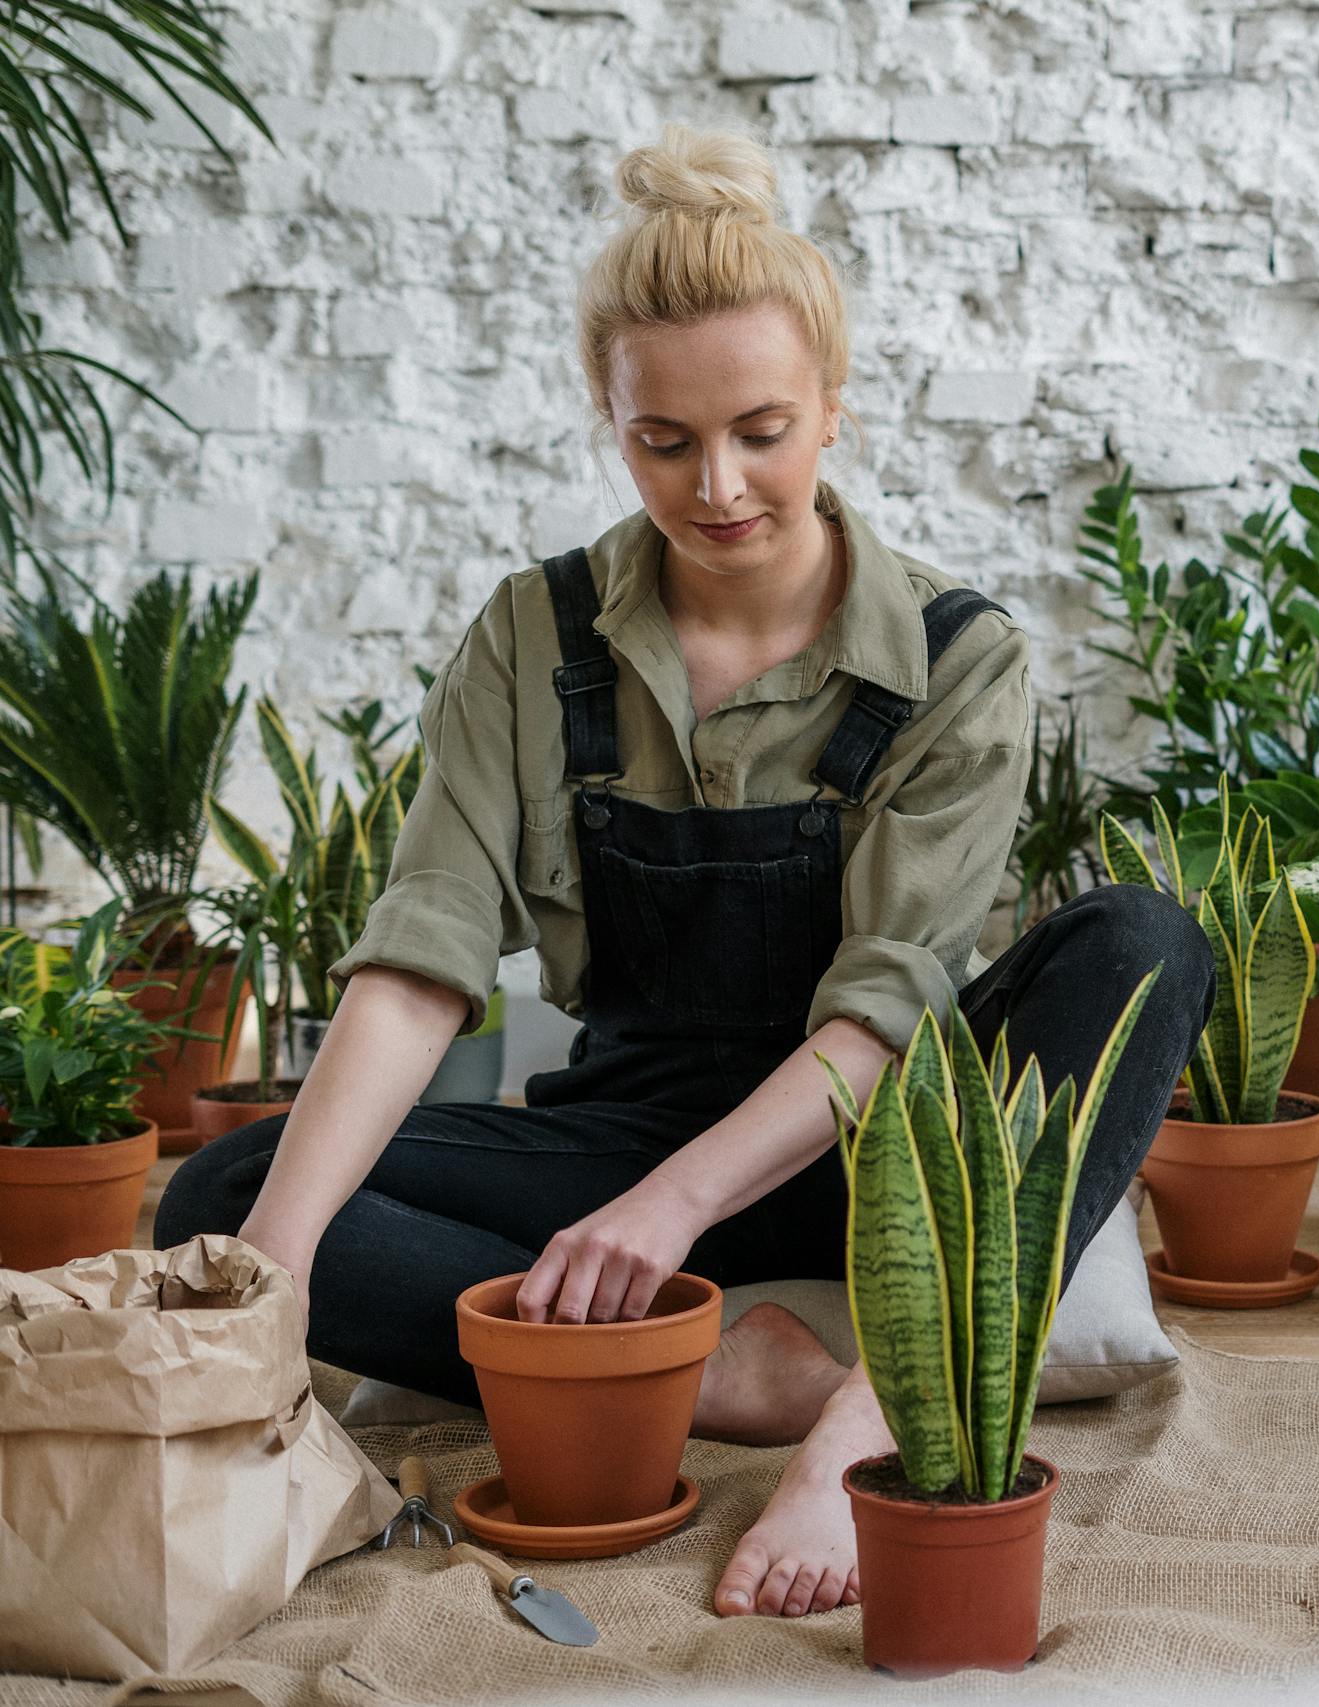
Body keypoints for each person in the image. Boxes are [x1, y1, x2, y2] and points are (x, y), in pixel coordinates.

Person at [154, 123, 1213, 1622]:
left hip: (884, 1148)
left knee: (1146, 937)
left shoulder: (959, 662)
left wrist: (665, 1215)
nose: (718, 485)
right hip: (627, 1127)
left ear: (834, 410)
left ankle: (871, 1416)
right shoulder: (536, 636)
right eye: (665, 441)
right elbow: (419, 964)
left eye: (763, 430)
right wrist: (267, 1285)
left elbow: (886, 1012)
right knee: (229, 1191)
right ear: (611, 416)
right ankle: (722, 1372)